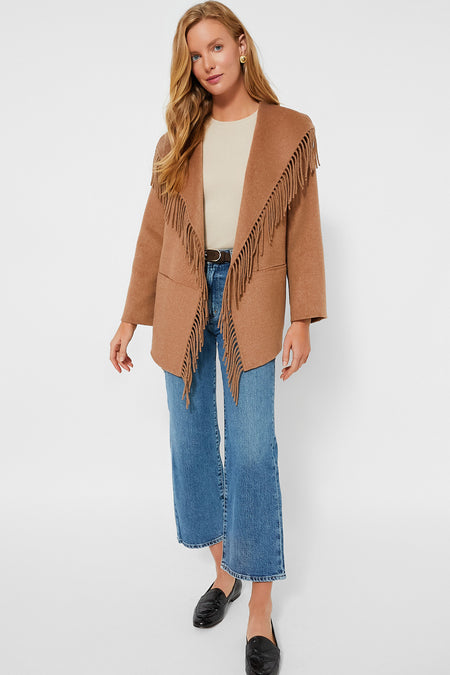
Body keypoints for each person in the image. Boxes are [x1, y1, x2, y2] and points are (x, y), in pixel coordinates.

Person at [110, 2, 327, 673]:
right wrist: (130, 317)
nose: (207, 63)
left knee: (254, 449)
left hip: (251, 293)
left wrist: (301, 316)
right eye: (195, 54)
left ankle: (260, 605)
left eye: (215, 47)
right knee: (191, 442)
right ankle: (224, 572)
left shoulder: (289, 130)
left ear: (241, 45)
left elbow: (303, 228)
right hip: (183, 293)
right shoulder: (177, 139)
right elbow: (154, 232)